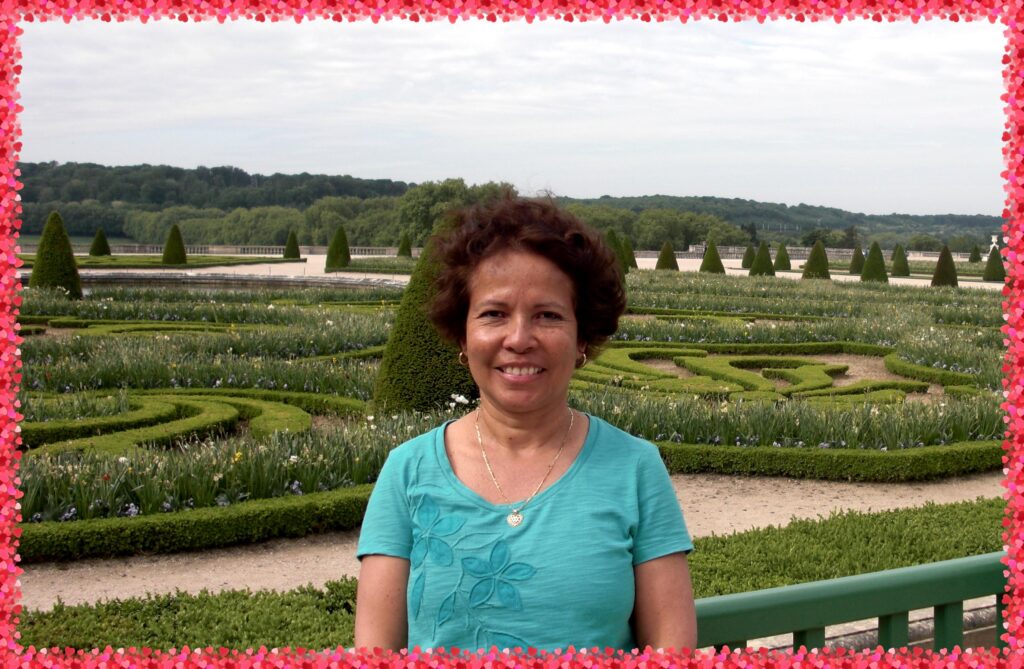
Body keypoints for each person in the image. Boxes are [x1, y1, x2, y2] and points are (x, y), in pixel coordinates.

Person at [354, 196, 696, 653]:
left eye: (547, 315)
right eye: (494, 314)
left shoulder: (635, 469)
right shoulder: (407, 471)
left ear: (582, 336)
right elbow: (375, 655)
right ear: (462, 335)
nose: (519, 339)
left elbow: (671, 652)